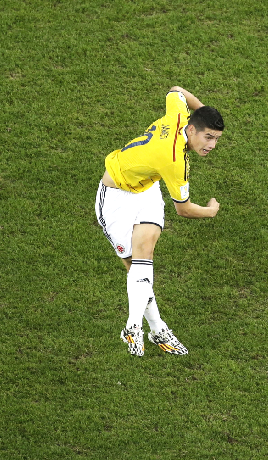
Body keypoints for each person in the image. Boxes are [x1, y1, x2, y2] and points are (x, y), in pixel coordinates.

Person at [94, 86, 224, 357]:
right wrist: (210, 211)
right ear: (192, 130)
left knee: (146, 255)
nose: (211, 145)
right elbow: (185, 210)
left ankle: (133, 327)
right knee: (134, 269)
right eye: (208, 137)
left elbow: (176, 91)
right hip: (115, 198)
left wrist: (202, 111)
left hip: (146, 186)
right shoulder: (175, 161)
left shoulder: (178, 115)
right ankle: (157, 328)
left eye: (216, 139)